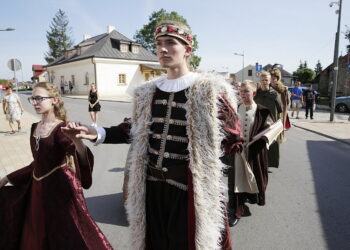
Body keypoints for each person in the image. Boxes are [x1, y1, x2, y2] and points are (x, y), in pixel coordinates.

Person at [65, 19, 242, 250]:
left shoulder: (207, 90)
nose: (163, 49)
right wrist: (97, 131)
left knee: (187, 243)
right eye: (159, 43)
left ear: (188, 49)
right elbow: (133, 129)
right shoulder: (147, 91)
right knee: (156, 243)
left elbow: (232, 134)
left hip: (188, 188)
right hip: (151, 188)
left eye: (171, 43)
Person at [0, 82, 112, 250]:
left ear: (55, 100)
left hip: (58, 192)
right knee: (34, 232)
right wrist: (7, 177)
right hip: (36, 190)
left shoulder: (61, 129)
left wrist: (76, 140)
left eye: (39, 98)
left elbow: (81, 157)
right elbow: (38, 163)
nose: (35, 102)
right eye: (33, 98)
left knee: (61, 235)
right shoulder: (34, 128)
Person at [228, 80, 273, 227]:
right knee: (237, 181)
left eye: (246, 91)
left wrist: (265, 136)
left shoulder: (262, 111)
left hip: (254, 153)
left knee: (254, 178)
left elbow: (270, 130)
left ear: (253, 93)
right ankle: (236, 210)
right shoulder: (234, 109)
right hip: (238, 153)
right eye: (241, 91)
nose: (243, 94)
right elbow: (228, 129)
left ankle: (250, 197)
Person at [254, 71, 282, 168]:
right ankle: (259, 162)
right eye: (262, 80)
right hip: (258, 122)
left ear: (269, 81)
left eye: (266, 80)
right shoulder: (256, 93)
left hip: (271, 122)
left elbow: (280, 109)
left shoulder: (274, 94)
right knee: (258, 142)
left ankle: (269, 163)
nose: (264, 82)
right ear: (259, 80)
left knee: (271, 143)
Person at [270, 68, 291, 142]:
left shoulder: (283, 88)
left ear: (277, 78)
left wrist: (283, 118)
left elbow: (286, 104)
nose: (272, 79)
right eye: (271, 77)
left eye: (274, 78)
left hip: (279, 113)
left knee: (277, 134)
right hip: (269, 112)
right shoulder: (267, 87)